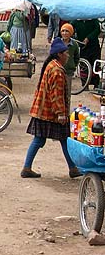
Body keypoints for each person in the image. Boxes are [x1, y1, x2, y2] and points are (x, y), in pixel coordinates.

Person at [21, 38, 81, 179]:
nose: (68, 56)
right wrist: (61, 113)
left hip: (42, 110)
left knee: (43, 139)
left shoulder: (51, 66)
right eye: (66, 53)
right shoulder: (57, 71)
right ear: (60, 54)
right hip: (49, 112)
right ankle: (72, 168)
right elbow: (57, 95)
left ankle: (27, 167)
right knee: (63, 138)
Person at [74, 18, 102, 87]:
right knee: (84, 65)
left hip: (94, 46)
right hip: (83, 47)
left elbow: (97, 30)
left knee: (96, 65)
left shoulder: (93, 20)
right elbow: (70, 28)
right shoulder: (76, 21)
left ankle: (96, 84)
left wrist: (88, 38)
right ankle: (85, 84)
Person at [59, 23, 79, 92]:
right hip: (58, 71)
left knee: (67, 92)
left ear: (71, 33)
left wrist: (73, 65)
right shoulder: (57, 43)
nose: (64, 33)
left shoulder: (74, 44)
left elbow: (77, 57)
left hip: (68, 71)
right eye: (63, 31)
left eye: (67, 31)